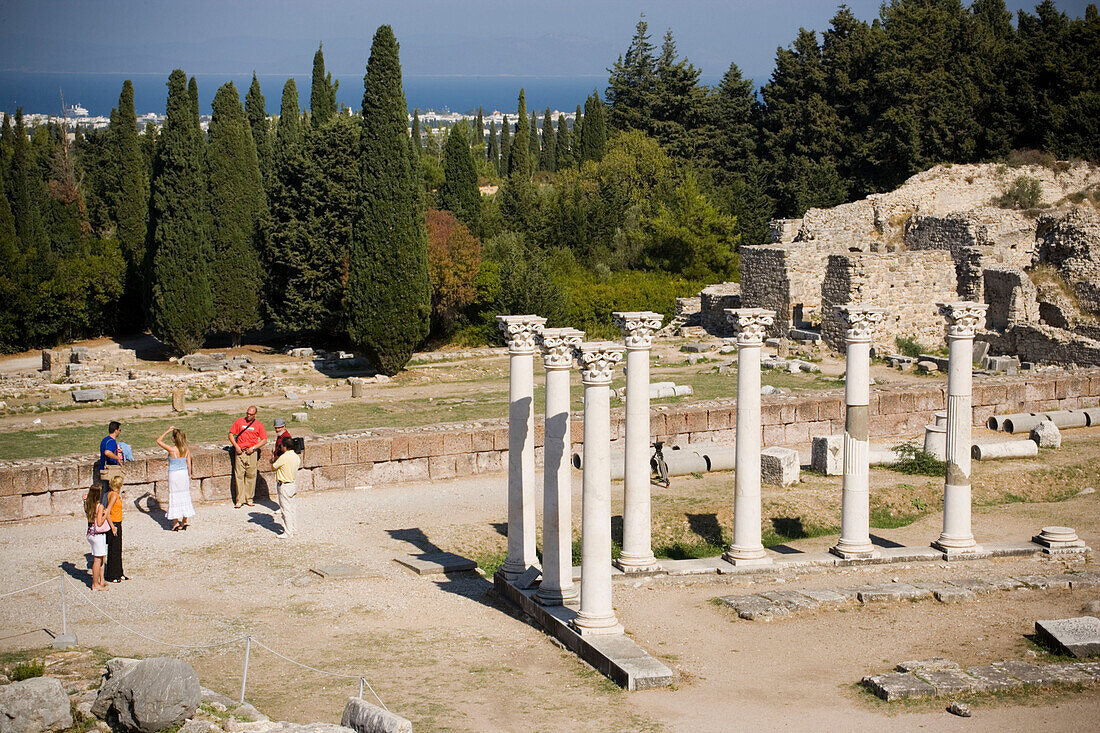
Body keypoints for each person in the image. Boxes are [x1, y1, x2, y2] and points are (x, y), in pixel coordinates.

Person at [228, 406, 267, 508]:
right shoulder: (239, 422)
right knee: (239, 475)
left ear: (255, 414)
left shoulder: (259, 425)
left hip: (251, 452)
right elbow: (231, 434)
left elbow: (264, 440)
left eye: (251, 414)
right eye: (248, 413)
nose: (248, 416)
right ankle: (239, 500)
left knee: (251, 475)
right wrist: (236, 446)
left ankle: (249, 498)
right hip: (240, 451)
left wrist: (254, 448)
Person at [157, 426, 195, 530]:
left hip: (174, 474)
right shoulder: (186, 449)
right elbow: (189, 464)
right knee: (185, 496)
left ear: (174, 438)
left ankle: (175, 524)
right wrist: (189, 475)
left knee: (174, 496)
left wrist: (167, 430)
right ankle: (184, 521)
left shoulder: (171, 449)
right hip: (184, 474)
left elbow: (158, 440)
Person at [271, 435, 301, 538]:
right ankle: (293, 528)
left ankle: (288, 532)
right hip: (292, 484)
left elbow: (273, 466)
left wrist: (274, 458)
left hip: (284, 485)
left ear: (285, 446)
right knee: (292, 508)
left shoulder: (284, 457)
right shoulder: (296, 457)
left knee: (285, 509)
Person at [84, 484, 112, 591]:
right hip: (98, 535)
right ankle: (95, 584)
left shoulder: (87, 504)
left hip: (90, 533)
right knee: (97, 560)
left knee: (100, 558)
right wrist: (106, 513)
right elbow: (100, 523)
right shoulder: (99, 506)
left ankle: (101, 580)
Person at [103, 475, 128, 582]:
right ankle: (111, 575)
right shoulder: (113, 496)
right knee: (113, 550)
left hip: (117, 523)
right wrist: (112, 526)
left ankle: (119, 572)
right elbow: (107, 511)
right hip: (114, 524)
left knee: (117, 549)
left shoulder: (111, 494)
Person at [97, 421, 124, 498]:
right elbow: (107, 452)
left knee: (106, 491)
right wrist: (117, 458)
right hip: (110, 469)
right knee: (110, 492)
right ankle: (107, 509)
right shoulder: (112, 442)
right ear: (116, 430)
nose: (119, 432)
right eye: (119, 430)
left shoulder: (105, 440)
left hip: (103, 468)